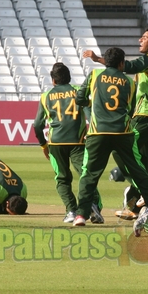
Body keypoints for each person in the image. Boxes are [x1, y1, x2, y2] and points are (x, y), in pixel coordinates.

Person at [83, 26, 148, 217]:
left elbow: (127, 66)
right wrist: (99, 59)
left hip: (145, 115)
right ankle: (138, 208)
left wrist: (99, 60)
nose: (140, 40)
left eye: (144, 38)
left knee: (123, 152)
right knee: (142, 162)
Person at [73, 47, 148, 230]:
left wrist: (92, 104)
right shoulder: (130, 82)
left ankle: (81, 214)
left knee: (89, 174)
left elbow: (79, 98)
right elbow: (130, 109)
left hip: (98, 132)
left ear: (106, 60)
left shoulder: (94, 74)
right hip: (122, 132)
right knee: (138, 170)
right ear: (121, 63)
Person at [33, 62, 102, 223]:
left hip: (55, 144)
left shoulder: (46, 96)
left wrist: (44, 145)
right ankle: (93, 205)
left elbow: (37, 124)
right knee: (86, 175)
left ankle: (71, 210)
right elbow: (91, 117)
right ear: (69, 78)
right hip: (78, 142)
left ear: (53, 80)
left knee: (62, 178)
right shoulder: (78, 92)